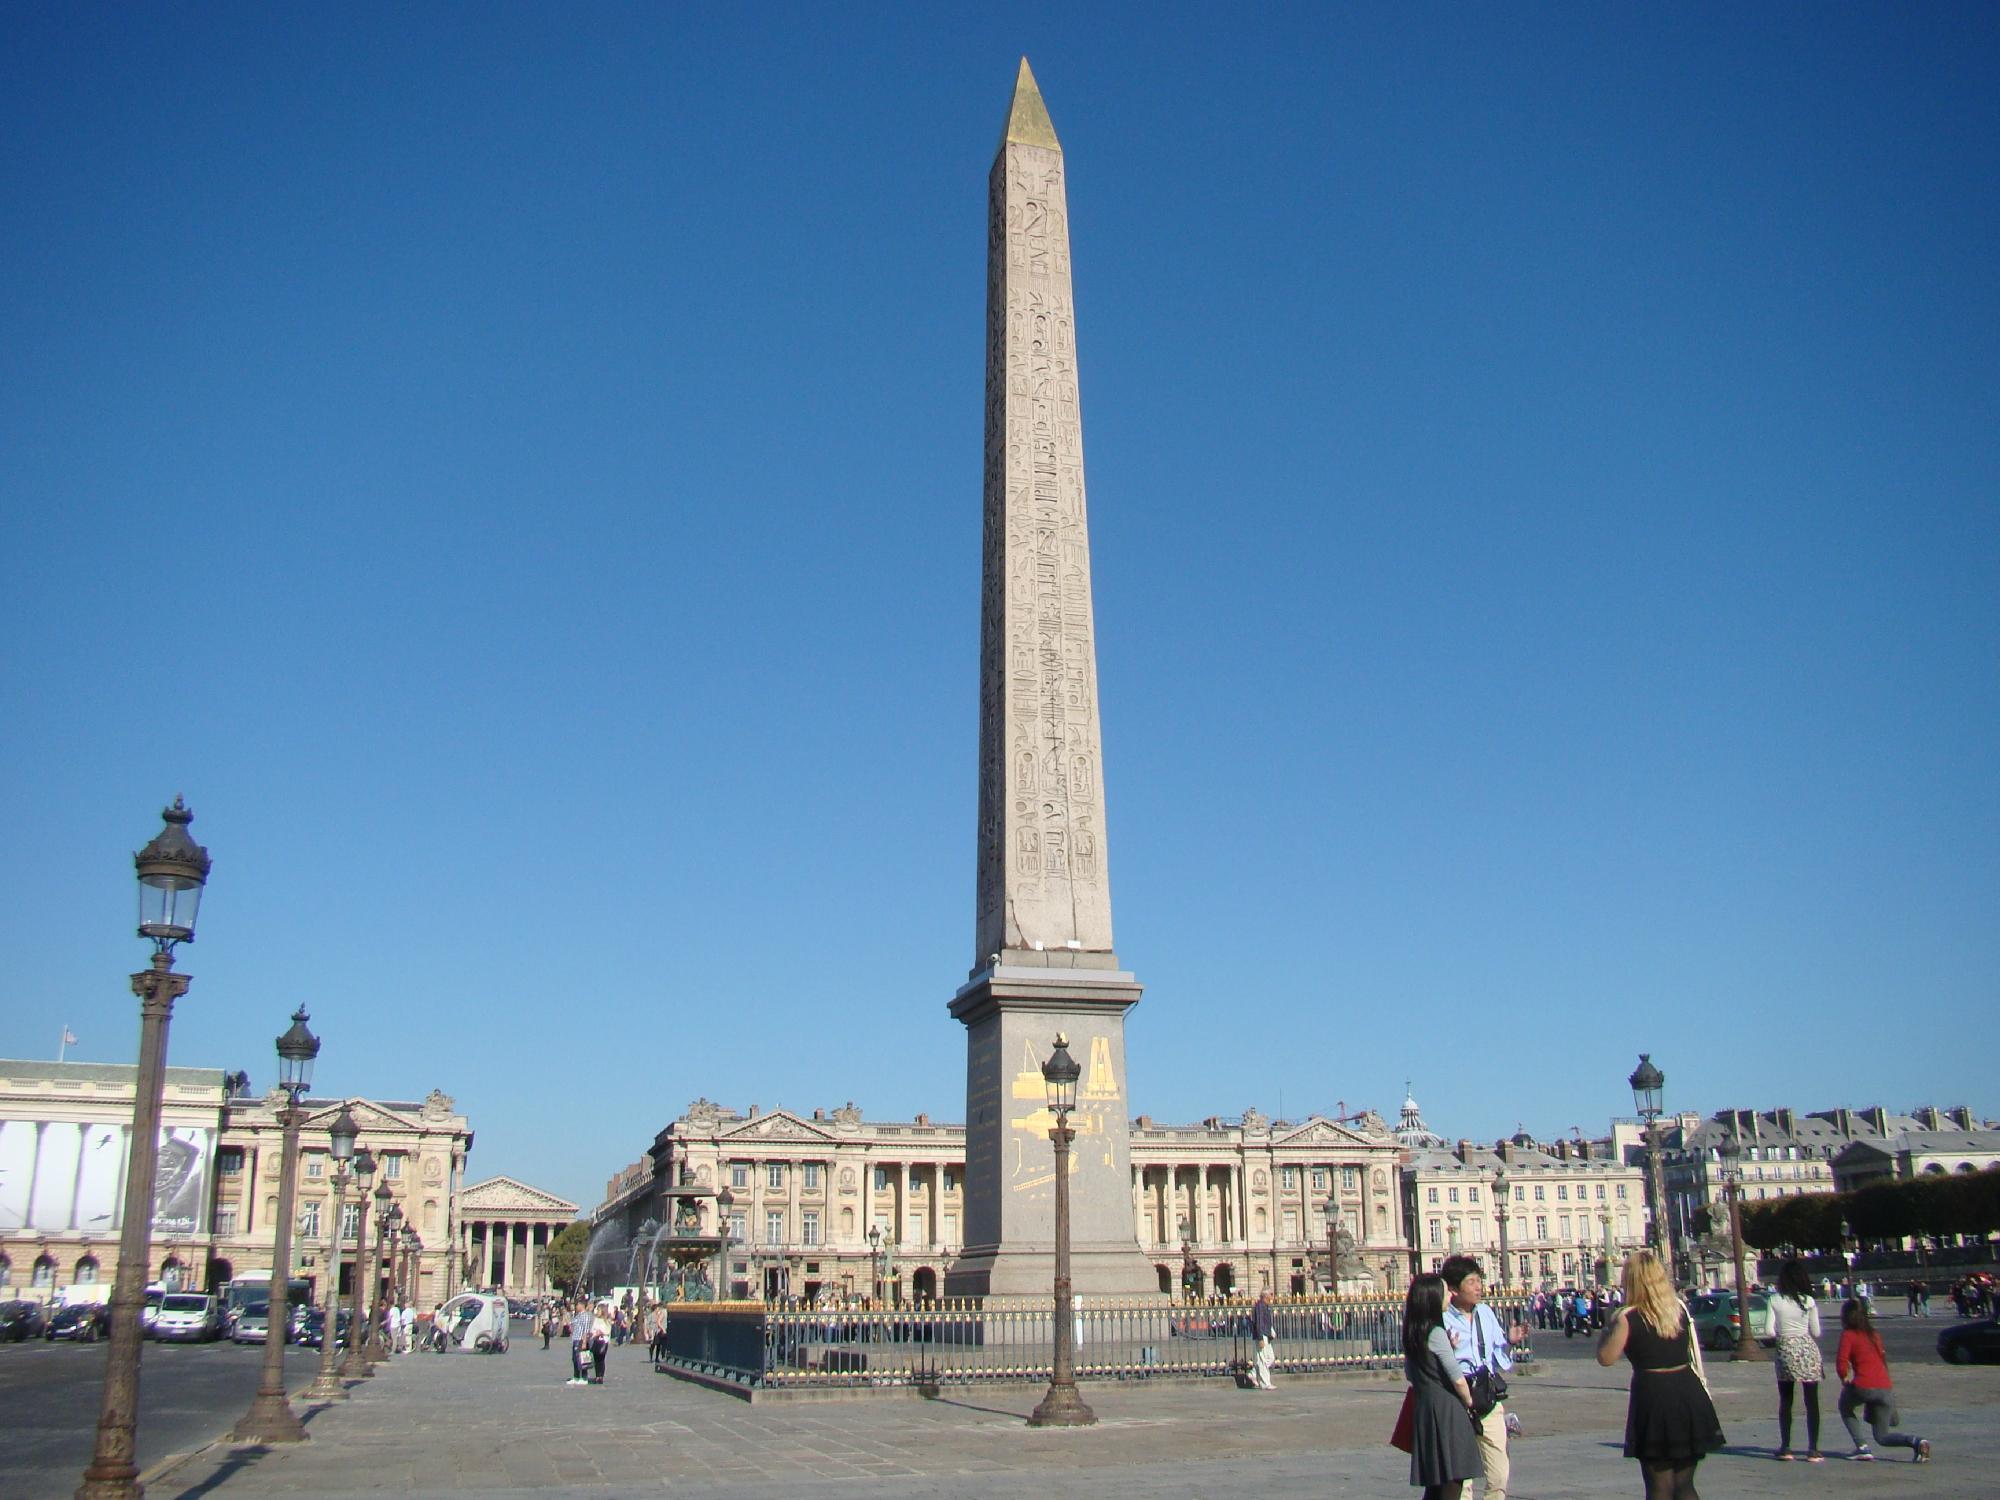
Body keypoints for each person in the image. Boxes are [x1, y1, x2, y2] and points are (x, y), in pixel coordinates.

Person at [1597, 1249, 1724, 1500]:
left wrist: (1606, 1327)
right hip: (1687, 1392)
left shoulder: (1627, 1317)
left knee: (1658, 1486)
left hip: (1654, 1396)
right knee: (1685, 1484)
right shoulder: (1677, 1309)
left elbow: (1606, 1358)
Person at [1402, 1273, 1482, 1500]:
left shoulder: (1413, 1333)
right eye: (1446, 1292)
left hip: (1426, 1410)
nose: (1450, 1295)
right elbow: (1457, 1378)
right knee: (1454, 1478)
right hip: (1447, 1411)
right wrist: (1469, 1402)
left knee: (1436, 1483)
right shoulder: (1437, 1333)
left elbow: (1411, 1373)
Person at [1441, 1255, 1513, 1500]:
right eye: (1471, 1282)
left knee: (1499, 1470)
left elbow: (1499, 1357)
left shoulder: (1485, 1313)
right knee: (1464, 1474)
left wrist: (1510, 1343)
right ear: (1453, 1288)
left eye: (1478, 1281)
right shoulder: (1443, 1317)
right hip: (1457, 1396)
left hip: (1486, 1394)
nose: (1478, 1287)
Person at [1836, 1298, 1932, 1462]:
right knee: (1882, 1436)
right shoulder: (1874, 1334)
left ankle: (1862, 1447)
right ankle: (1916, 1442)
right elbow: (1882, 1359)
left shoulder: (1848, 1334)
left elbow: (1841, 1362)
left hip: (1864, 1385)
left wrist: (1844, 1378)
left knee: (1845, 1406)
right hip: (1884, 1386)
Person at [1768, 1257, 1825, 1461]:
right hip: (1807, 1349)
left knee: (1786, 1400)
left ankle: (1786, 1447)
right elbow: (1816, 1332)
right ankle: (1813, 1449)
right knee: (1812, 1402)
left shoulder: (1775, 1300)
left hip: (1785, 1350)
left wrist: (1783, 1334)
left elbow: (1768, 1330)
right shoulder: (1809, 1301)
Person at [1250, 1288, 1276, 1390]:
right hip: (1262, 1335)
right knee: (1264, 1359)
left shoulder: (1265, 1306)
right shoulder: (1260, 1306)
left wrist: (1271, 1332)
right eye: (1271, 1294)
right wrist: (1260, 1337)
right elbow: (1259, 1322)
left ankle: (1253, 1373)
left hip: (1266, 1334)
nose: (1272, 1296)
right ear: (1266, 1296)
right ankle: (1265, 1383)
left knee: (1269, 1358)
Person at [567, 1299, 591, 1385]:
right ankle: (576, 1377)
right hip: (575, 1338)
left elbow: (586, 1330)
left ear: (582, 1305)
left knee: (582, 1359)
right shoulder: (577, 1315)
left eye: (577, 1305)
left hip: (581, 1339)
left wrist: (584, 1342)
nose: (576, 1307)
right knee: (575, 1359)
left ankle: (584, 1377)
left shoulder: (585, 1315)